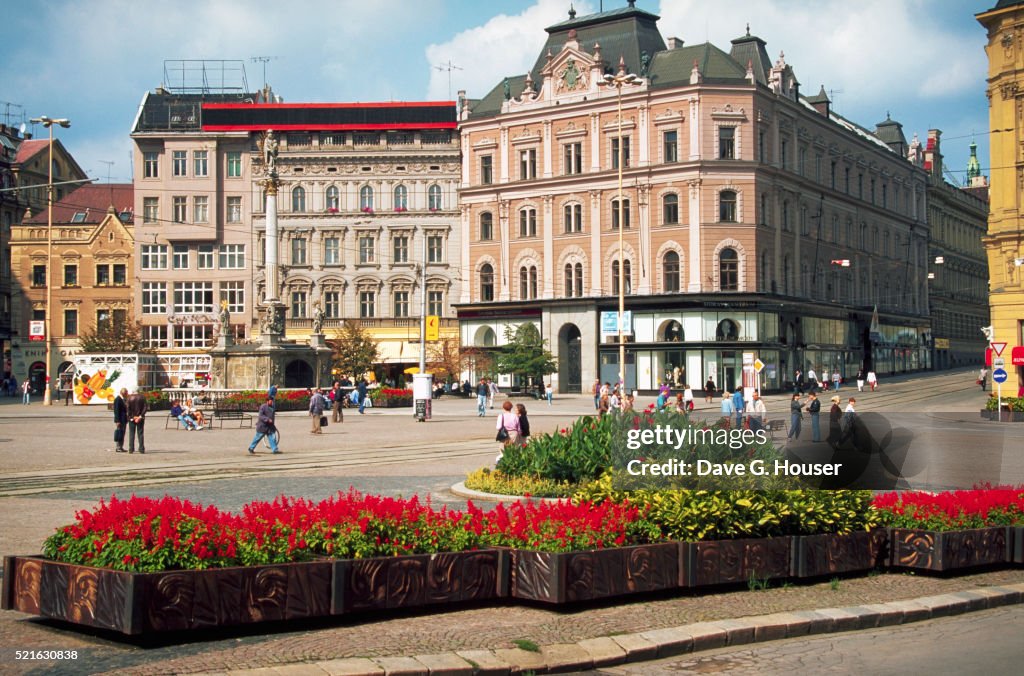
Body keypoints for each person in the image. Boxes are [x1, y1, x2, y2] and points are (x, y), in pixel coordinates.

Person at [126, 388, 148, 454]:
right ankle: (141, 449)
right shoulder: (142, 398)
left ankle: (131, 448)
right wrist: (140, 416)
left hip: (132, 418)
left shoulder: (129, 398)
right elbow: (145, 407)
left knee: (131, 433)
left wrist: (133, 416)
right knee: (140, 433)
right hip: (140, 418)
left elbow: (128, 409)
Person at [113, 388, 128, 452]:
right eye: (126, 393)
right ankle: (118, 447)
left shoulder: (123, 399)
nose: (127, 394)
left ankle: (121, 446)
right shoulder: (118, 399)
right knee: (120, 433)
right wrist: (117, 421)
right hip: (120, 420)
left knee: (122, 433)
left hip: (123, 419)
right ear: (123, 393)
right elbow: (116, 411)